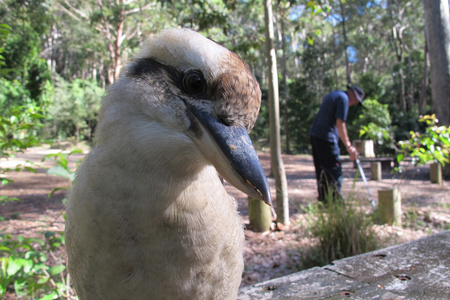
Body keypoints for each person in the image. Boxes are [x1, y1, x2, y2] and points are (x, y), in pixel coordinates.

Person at [309, 85, 365, 203]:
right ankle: (336, 204)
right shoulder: (343, 99)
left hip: (316, 137)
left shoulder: (334, 95)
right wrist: (349, 147)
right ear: (353, 94)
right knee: (334, 171)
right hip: (326, 139)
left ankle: (324, 201)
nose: (354, 103)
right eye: (356, 100)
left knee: (322, 171)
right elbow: (340, 123)